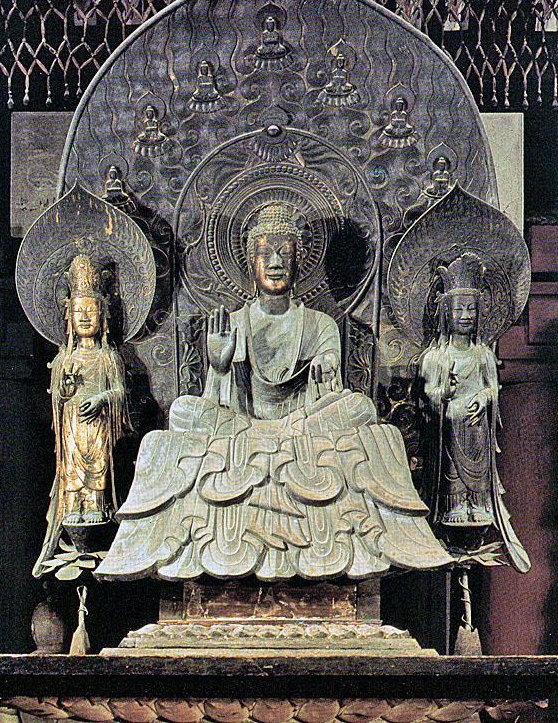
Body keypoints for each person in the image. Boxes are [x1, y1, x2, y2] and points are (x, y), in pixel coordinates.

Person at [97, 205, 451, 581]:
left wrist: (324, 372)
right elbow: (215, 404)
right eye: (265, 253)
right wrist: (219, 367)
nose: (276, 262)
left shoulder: (320, 324)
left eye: (285, 252)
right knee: (183, 410)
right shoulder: (233, 323)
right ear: (251, 264)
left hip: (304, 424)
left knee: (360, 408)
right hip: (244, 425)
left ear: (299, 263)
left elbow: (332, 395)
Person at [420, 252, 530, 571]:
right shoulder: (436, 357)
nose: (465, 316)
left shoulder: (482, 355)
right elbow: (429, 394)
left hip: (477, 431)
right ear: (446, 312)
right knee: (454, 431)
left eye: (471, 309)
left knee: (477, 449)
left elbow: (493, 389)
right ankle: (455, 504)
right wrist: (445, 393)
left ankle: (477, 503)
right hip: (451, 429)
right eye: (459, 309)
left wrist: (483, 398)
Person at [33, 254, 126, 577]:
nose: (84, 317)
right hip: (72, 428)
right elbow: (56, 398)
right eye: (78, 311)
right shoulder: (64, 359)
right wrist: (65, 390)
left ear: (103, 315)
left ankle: (96, 506)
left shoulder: (108, 357)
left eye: (91, 311)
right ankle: (74, 508)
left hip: (98, 427)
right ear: (68, 317)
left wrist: (102, 398)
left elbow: (120, 393)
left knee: (97, 467)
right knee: (73, 471)